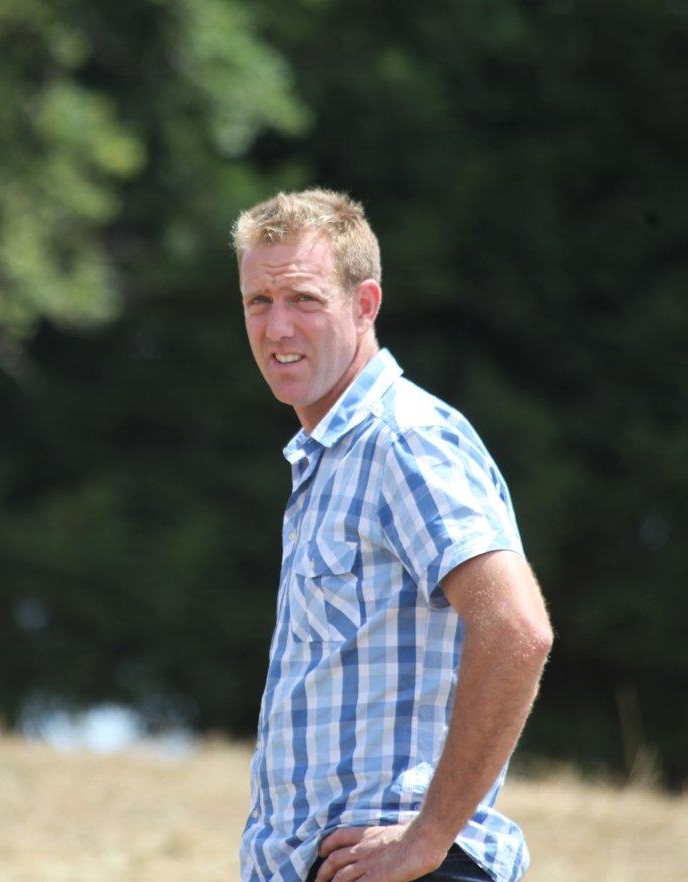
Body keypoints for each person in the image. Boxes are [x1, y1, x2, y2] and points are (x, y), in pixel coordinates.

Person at [232, 189, 553, 882]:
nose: (277, 326)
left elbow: (517, 629)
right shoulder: (331, 457)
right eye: (259, 301)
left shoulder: (404, 440)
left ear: (365, 304)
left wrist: (427, 837)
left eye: (304, 299)